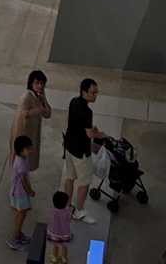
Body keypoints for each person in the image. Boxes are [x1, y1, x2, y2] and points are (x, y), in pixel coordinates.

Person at [63, 79, 104, 224]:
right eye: (93, 93)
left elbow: (78, 125)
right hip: (81, 152)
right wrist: (100, 134)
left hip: (69, 146)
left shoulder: (74, 101)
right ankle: (79, 211)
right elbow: (89, 134)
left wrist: (90, 129)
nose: (95, 95)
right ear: (84, 92)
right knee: (85, 182)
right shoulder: (87, 112)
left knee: (70, 177)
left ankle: (67, 206)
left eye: (96, 92)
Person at [10, 70, 52, 176]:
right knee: (21, 166)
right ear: (31, 83)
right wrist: (39, 109)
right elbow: (23, 114)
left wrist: (44, 99)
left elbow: (48, 114)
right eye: (37, 83)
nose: (40, 86)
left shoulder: (38, 96)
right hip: (23, 136)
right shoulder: (27, 96)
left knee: (26, 164)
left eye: (42, 83)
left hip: (31, 135)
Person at [8, 134, 35, 251]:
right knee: (21, 214)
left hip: (18, 192)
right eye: (28, 149)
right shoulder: (21, 164)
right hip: (20, 194)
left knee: (22, 213)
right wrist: (30, 191)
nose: (31, 150)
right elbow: (24, 182)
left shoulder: (22, 158)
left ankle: (19, 234)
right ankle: (15, 238)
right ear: (21, 151)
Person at [44, 191, 73, 264]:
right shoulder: (67, 211)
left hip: (54, 233)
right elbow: (69, 219)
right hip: (65, 233)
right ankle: (64, 258)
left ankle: (54, 257)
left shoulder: (52, 211)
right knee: (64, 246)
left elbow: (48, 219)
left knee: (55, 245)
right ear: (65, 203)